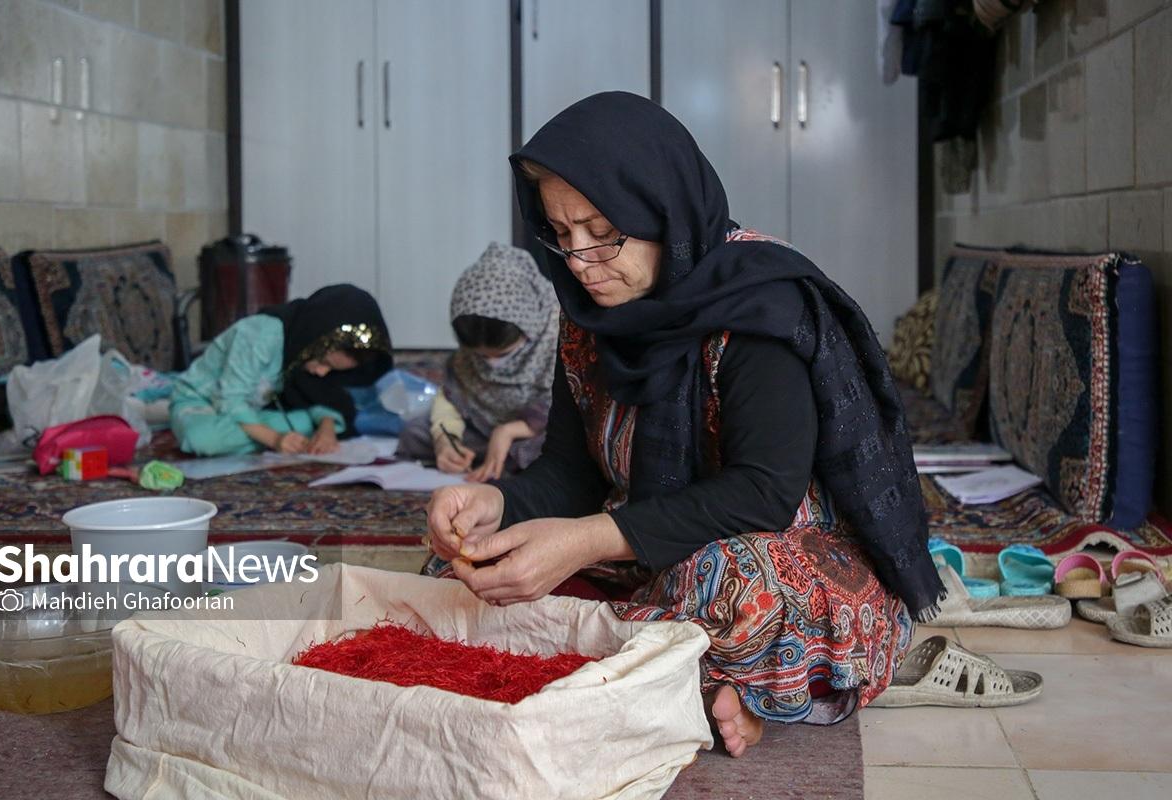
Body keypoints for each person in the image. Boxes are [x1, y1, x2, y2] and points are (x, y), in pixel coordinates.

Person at [423, 92, 941, 758]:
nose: (580, 259)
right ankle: (679, 682)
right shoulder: (588, 314)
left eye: (601, 229)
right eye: (561, 231)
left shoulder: (759, 306)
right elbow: (570, 476)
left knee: (734, 583)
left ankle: (674, 674)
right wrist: (493, 504)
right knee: (462, 564)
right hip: (638, 556)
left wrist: (583, 543)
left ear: (660, 210)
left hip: (771, 551)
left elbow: (764, 491)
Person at [396, 242, 559, 482]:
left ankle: (504, 458)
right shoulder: (471, 343)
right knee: (415, 433)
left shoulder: (558, 331)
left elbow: (571, 405)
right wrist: (445, 441)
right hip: (482, 430)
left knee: (550, 450)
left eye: (503, 354)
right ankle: (492, 460)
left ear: (528, 329)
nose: (491, 364)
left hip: (536, 430)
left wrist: (508, 431)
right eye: (481, 356)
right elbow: (452, 396)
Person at [171, 284, 392, 457]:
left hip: (253, 411)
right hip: (201, 403)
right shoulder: (261, 335)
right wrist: (275, 439)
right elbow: (230, 399)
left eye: (332, 369)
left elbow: (318, 393)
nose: (322, 373)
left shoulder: (304, 346)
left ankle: (256, 433)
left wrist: (326, 429)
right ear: (317, 339)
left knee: (309, 423)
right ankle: (269, 431)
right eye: (323, 361)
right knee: (201, 439)